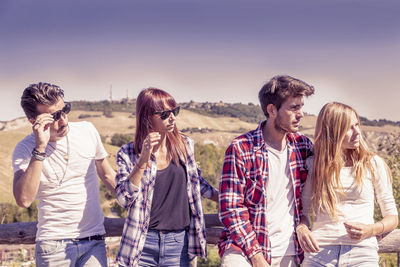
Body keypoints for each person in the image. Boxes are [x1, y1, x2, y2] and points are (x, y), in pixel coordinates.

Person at [12, 82, 116, 267]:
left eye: (64, 109)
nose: (64, 120)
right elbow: (24, 199)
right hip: (53, 245)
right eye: (54, 116)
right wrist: (40, 148)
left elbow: (108, 176)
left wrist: (140, 203)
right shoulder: (25, 148)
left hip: (94, 242)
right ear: (33, 121)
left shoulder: (87, 130)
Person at [218, 75, 315, 267]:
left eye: (301, 107)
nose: (301, 114)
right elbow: (231, 209)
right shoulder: (241, 148)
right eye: (294, 107)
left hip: (292, 249)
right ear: (272, 110)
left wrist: (303, 223)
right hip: (244, 250)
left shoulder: (303, 146)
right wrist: (256, 256)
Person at [115, 88, 218, 267]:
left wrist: (227, 201)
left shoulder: (185, 146)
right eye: (164, 114)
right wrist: (142, 161)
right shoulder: (128, 153)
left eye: (174, 111)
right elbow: (124, 199)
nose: (172, 118)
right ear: (147, 117)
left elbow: (198, 184)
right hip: (142, 244)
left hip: (178, 244)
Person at [297, 102, 398, 266]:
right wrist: (301, 229)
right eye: (349, 128)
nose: (357, 132)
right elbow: (304, 214)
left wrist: (371, 230)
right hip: (318, 253)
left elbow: (392, 217)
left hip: (362, 254)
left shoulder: (373, 164)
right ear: (333, 132)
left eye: (357, 124)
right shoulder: (314, 165)